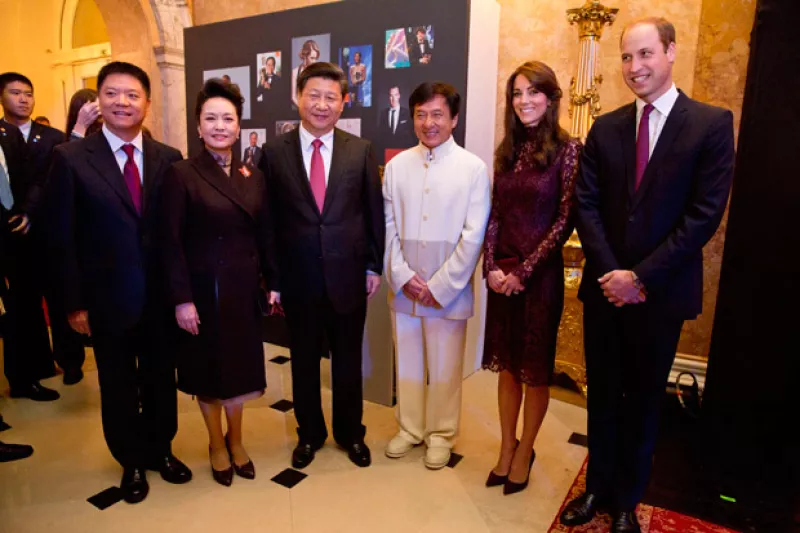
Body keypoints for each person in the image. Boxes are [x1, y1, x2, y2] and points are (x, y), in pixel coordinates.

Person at [560, 18, 734, 533]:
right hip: (605, 292)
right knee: (603, 395)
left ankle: (627, 502)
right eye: (626, 58)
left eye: (645, 55)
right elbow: (585, 203)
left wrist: (640, 277)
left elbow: (704, 214)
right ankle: (595, 489)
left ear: (670, 52)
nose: (635, 67)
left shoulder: (710, 123)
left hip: (661, 294)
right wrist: (613, 272)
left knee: (642, 402)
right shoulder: (606, 127)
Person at [47, 61, 193, 504]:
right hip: (105, 298)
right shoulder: (70, 159)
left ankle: (160, 449)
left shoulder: (169, 158)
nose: (122, 102)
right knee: (116, 383)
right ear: (98, 101)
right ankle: (130, 460)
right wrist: (73, 303)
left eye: (132, 94)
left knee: (159, 378)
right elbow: (61, 237)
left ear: (148, 102)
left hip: (159, 296)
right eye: (112, 93)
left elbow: (177, 233)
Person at [259, 62, 384, 469]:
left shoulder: (359, 150)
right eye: (314, 94)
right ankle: (309, 434)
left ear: (344, 102)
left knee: (348, 362)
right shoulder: (274, 152)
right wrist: (272, 277)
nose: (322, 104)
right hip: (299, 280)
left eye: (331, 97)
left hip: (349, 278)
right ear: (298, 97)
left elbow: (371, 214)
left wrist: (373, 266)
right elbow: (268, 221)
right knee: (304, 363)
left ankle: (351, 434)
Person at [160, 79, 277, 486]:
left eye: (228, 118)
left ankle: (237, 439)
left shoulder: (252, 173)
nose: (220, 126)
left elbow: (267, 233)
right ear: (197, 125)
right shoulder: (181, 174)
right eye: (211, 118)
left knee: (241, 370)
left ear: (239, 124)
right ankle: (215, 443)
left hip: (242, 291)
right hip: (202, 292)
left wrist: (273, 282)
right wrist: (181, 299)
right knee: (209, 372)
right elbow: (170, 243)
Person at [482, 61, 581, 494]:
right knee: (506, 369)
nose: (524, 100)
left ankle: (526, 451)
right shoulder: (506, 152)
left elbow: (564, 219)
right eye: (517, 93)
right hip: (502, 276)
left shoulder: (568, 149)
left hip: (539, 279)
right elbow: (496, 213)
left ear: (551, 97)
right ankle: (507, 447)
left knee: (533, 371)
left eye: (533, 92)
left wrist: (523, 271)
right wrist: (491, 267)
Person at [383, 81, 491, 469]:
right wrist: (402, 275)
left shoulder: (473, 168)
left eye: (437, 114)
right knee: (408, 360)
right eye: (421, 115)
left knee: (445, 365)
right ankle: (410, 428)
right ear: (412, 118)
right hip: (406, 285)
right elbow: (388, 226)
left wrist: (442, 284)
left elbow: (474, 233)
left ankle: (442, 433)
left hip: (450, 287)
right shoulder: (396, 166)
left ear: (454, 118)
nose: (429, 123)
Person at [1, 72, 75, 389]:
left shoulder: (53, 137)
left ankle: (69, 362)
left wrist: (33, 211)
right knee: (23, 308)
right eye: (15, 93)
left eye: (28, 93)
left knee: (60, 303)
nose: (23, 99)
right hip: (13, 239)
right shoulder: (2, 136)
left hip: (50, 233)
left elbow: (54, 183)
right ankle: (31, 372)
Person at [0, 108, 58, 401]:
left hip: (13, 237)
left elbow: (32, 179)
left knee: (22, 312)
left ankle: (25, 380)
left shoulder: (8, 135)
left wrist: (27, 212)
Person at [291, 39, 321, 107]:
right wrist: (304, 109)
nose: (314, 62)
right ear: (305, 56)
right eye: (312, 58)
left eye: (316, 58)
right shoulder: (295, 72)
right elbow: (293, 97)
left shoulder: (318, 73)